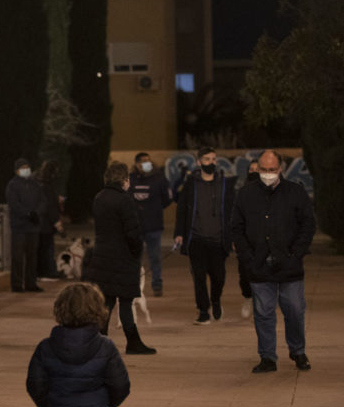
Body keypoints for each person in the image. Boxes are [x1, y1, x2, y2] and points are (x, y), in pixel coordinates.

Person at [231, 150, 316, 373]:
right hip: (259, 265)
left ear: (280, 169)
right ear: (257, 168)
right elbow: (236, 228)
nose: (268, 174)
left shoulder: (295, 192)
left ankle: (298, 351)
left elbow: (308, 225)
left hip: (289, 266)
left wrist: (295, 254)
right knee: (263, 313)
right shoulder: (246, 194)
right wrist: (247, 256)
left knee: (295, 310)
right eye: (264, 170)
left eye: (272, 170)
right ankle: (267, 356)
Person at [82, 162, 156, 355]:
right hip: (123, 258)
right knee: (125, 301)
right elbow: (133, 232)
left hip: (103, 257)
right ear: (124, 179)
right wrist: (136, 251)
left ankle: (100, 341)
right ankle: (133, 342)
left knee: (106, 302)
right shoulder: (125, 200)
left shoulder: (99, 198)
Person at [173, 147, 236, 324]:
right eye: (207, 159)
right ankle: (203, 310)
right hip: (196, 239)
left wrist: (232, 237)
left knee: (219, 277)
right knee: (199, 277)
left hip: (218, 240)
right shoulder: (190, 184)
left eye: (214, 159)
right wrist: (179, 233)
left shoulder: (224, 184)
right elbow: (182, 210)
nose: (211, 163)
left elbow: (232, 212)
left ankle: (215, 300)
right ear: (199, 162)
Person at [128, 152, 172, 297]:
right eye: (142, 161)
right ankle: (133, 285)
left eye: (148, 161)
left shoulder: (159, 178)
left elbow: (167, 199)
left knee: (155, 257)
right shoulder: (131, 179)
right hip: (136, 226)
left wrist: (155, 209)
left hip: (153, 225)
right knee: (134, 257)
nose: (146, 164)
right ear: (136, 164)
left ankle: (157, 284)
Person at [5, 158, 45, 292]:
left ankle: (31, 283)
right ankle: (17, 284)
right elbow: (14, 204)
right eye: (22, 167)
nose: (26, 170)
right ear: (16, 170)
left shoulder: (35, 184)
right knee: (17, 256)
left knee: (32, 256)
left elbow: (42, 200)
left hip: (33, 226)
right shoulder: (12, 185)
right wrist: (27, 214)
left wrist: (36, 213)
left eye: (27, 167)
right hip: (19, 226)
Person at [35, 160, 65, 281]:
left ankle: (41, 272)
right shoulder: (47, 187)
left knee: (42, 248)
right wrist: (57, 223)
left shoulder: (39, 184)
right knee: (47, 248)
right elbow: (50, 206)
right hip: (46, 224)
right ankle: (48, 272)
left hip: (40, 223)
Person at [238, 159, 259, 319]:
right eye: (251, 170)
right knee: (245, 274)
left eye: (256, 170)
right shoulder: (241, 193)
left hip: (264, 241)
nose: (253, 173)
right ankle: (248, 297)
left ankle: (261, 305)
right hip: (245, 241)